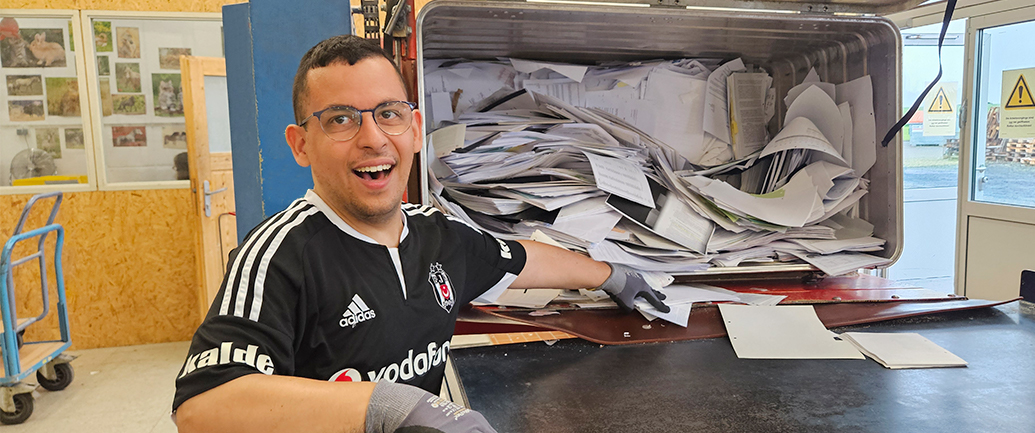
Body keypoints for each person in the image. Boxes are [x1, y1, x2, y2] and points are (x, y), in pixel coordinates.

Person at [172, 35, 669, 433]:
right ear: (301, 144)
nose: (372, 138)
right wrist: (386, 406)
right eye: (341, 119)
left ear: (413, 128)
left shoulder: (440, 235)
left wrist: (610, 276)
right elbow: (203, 404)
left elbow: (521, 260)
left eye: (388, 114)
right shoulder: (279, 254)